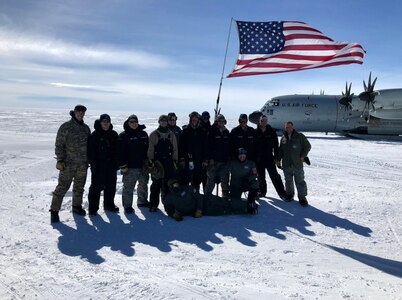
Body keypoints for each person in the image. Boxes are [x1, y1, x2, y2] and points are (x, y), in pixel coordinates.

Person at [50, 104, 91, 223]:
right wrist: (60, 160)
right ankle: (54, 211)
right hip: (68, 165)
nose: (80, 113)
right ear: (74, 112)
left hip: (82, 165)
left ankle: (76, 207)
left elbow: (89, 146)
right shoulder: (66, 127)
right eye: (78, 111)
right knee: (62, 188)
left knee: (79, 188)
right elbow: (59, 144)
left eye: (83, 112)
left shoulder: (86, 128)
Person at [87, 114, 119, 216]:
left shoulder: (113, 134)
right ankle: (93, 208)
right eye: (104, 121)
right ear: (100, 122)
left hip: (111, 165)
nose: (105, 123)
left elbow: (118, 150)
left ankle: (109, 205)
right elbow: (90, 151)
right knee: (96, 187)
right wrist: (93, 163)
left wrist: (116, 163)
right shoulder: (95, 135)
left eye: (107, 121)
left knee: (111, 186)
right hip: (99, 165)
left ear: (110, 123)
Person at [117, 114, 150, 213]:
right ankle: (127, 206)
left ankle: (142, 201)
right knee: (128, 187)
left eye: (135, 122)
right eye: (132, 122)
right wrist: (123, 166)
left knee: (143, 185)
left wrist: (149, 162)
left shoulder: (143, 134)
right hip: (130, 167)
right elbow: (119, 152)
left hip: (143, 166)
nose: (134, 124)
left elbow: (148, 149)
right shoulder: (124, 135)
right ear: (128, 123)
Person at [277, 121, 312, 207]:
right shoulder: (283, 138)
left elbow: (308, 146)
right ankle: (290, 195)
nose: (288, 129)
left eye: (289, 127)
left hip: (297, 164)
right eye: (286, 127)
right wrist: (278, 160)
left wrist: (303, 156)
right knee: (288, 181)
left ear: (292, 127)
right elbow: (281, 151)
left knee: (300, 181)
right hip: (286, 164)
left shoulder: (300, 136)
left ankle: (302, 198)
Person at [148, 114, 178, 212]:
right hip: (157, 163)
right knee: (156, 184)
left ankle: (167, 204)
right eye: (162, 121)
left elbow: (175, 149)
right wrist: (150, 161)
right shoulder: (154, 134)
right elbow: (150, 149)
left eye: (165, 121)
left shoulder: (171, 134)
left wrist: (175, 160)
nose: (164, 122)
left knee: (167, 185)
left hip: (169, 163)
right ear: (159, 122)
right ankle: (153, 204)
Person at [254, 115, 287, 199]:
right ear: (259, 121)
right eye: (262, 121)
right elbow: (252, 146)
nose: (263, 122)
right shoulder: (255, 132)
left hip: (269, 157)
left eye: (265, 120)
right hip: (259, 159)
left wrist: (276, 157)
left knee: (274, 176)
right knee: (261, 177)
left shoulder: (271, 131)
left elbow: (276, 145)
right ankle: (262, 192)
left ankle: (282, 193)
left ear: (267, 121)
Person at [179, 111, 208, 192]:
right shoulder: (185, 131)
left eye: (196, 119)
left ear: (198, 120)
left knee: (197, 180)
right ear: (190, 120)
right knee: (185, 180)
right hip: (187, 160)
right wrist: (182, 159)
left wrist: (205, 159)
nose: (194, 121)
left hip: (199, 160)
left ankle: (196, 197)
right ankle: (186, 199)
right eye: (193, 119)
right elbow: (181, 146)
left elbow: (205, 146)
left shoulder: (202, 131)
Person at [205, 114, 230, 197]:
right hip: (214, 162)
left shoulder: (227, 133)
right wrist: (210, 158)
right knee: (210, 181)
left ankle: (225, 197)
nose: (221, 123)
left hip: (224, 162)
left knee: (225, 181)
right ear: (217, 122)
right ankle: (207, 198)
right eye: (220, 121)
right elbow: (208, 147)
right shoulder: (212, 132)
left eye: (223, 121)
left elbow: (229, 147)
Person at [229, 148, 259, 214]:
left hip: (246, 184)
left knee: (255, 183)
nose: (242, 157)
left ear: (246, 155)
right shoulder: (232, 163)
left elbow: (255, 174)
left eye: (243, 155)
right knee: (234, 203)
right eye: (240, 155)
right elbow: (225, 171)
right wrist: (218, 176)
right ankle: (242, 205)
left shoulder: (251, 163)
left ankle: (250, 202)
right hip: (236, 185)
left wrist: (247, 179)